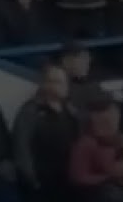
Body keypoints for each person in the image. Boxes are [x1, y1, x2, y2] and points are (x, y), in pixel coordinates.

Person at [11, 64, 77, 202]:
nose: (64, 86)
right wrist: (33, 181)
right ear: (46, 84)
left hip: (67, 183)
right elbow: (21, 149)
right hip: (40, 186)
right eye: (59, 82)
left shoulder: (70, 110)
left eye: (65, 82)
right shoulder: (30, 111)